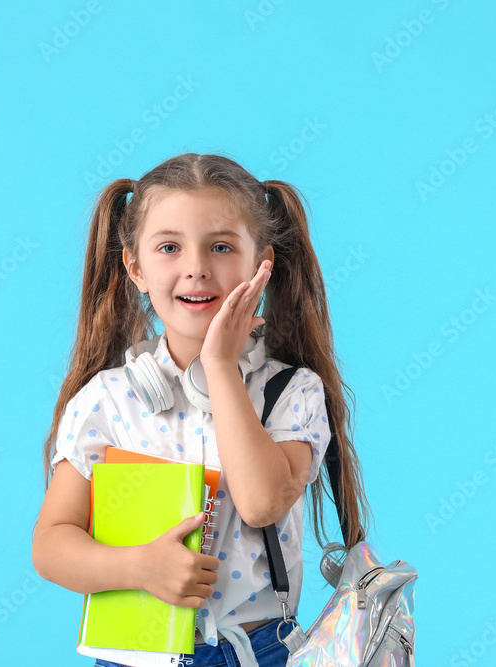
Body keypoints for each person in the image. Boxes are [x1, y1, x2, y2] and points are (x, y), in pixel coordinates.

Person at [31, 153, 371, 667]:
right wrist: (139, 568)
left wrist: (220, 366)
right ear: (135, 267)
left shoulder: (292, 392)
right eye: (169, 247)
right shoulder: (106, 400)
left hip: (259, 652)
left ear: (263, 265)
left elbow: (261, 503)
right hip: (134, 656)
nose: (196, 267)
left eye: (220, 246)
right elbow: (51, 547)